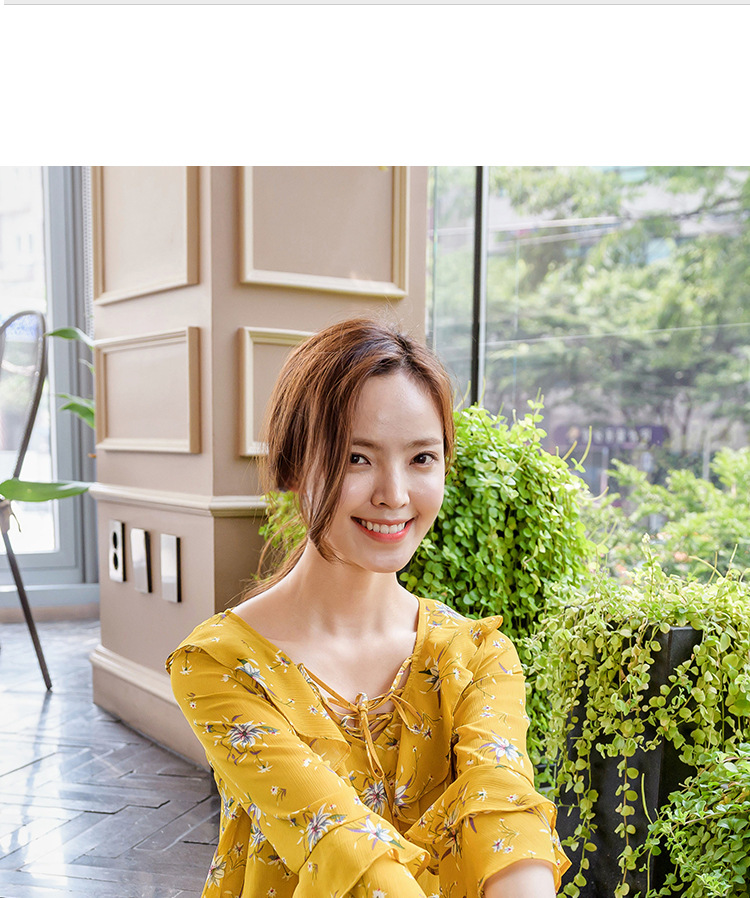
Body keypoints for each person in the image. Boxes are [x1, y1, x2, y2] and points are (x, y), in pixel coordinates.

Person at [167, 318, 570, 898]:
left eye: (422, 458)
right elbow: (339, 843)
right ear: (292, 466)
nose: (394, 494)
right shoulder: (220, 664)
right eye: (358, 457)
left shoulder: (476, 655)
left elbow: (504, 809)